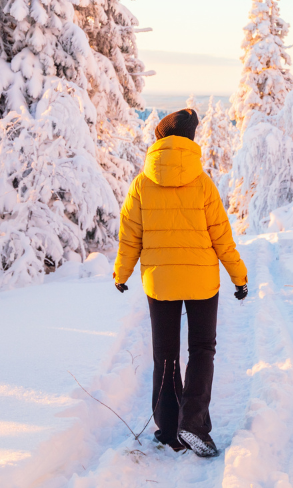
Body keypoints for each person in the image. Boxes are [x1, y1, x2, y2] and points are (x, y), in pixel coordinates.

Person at [113, 108, 248, 458]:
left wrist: (122, 274)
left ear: (159, 140)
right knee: (202, 351)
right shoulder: (202, 183)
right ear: (190, 141)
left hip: (160, 282)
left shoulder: (142, 183)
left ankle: (170, 430)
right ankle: (194, 424)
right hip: (202, 280)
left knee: (166, 355)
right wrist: (239, 277)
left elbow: (130, 236)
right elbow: (222, 236)